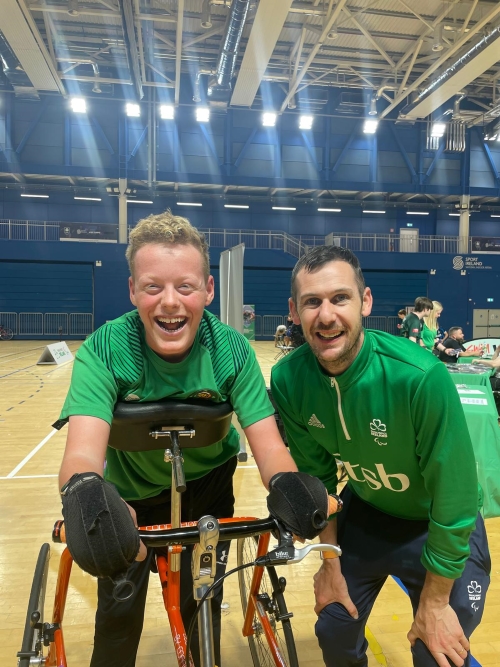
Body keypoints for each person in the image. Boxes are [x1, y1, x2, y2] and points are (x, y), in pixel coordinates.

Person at [57, 211, 303, 667]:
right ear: (133, 291)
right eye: (153, 287)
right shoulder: (104, 349)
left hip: (208, 490)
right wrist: (86, 495)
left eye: (185, 287)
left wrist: (288, 483)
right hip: (127, 498)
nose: (170, 302)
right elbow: (81, 453)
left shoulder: (232, 351)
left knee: (202, 607)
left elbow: (268, 444)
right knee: (117, 620)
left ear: (208, 290)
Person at [270, 245, 490, 667]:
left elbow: (457, 495)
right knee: (333, 626)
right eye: (312, 302)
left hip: (437, 524)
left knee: (436, 651)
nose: (327, 315)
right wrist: (329, 563)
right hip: (367, 517)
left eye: (340, 298)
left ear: (365, 302)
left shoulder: (420, 377)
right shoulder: (288, 378)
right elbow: (319, 483)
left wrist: (437, 601)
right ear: (294, 312)